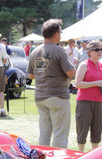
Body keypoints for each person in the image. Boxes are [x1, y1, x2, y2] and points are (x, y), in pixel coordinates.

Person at [28, 19, 76, 148]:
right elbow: (71, 73)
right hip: (57, 96)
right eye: (60, 32)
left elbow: (31, 75)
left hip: (40, 96)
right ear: (56, 34)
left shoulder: (35, 51)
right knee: (60, 133)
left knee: (44, 132)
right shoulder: (59, 50)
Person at [75, 40, 102, 152]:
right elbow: (78, 83)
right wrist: (96, 83)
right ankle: (80, 154)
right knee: (82, 128)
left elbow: (100, 83)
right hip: (84, 101)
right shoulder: (84, 65)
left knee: (97, 128)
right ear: (89, 52)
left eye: (101, 49)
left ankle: (94, 155)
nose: (99, 52)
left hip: (99, 101)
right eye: (96, 49)